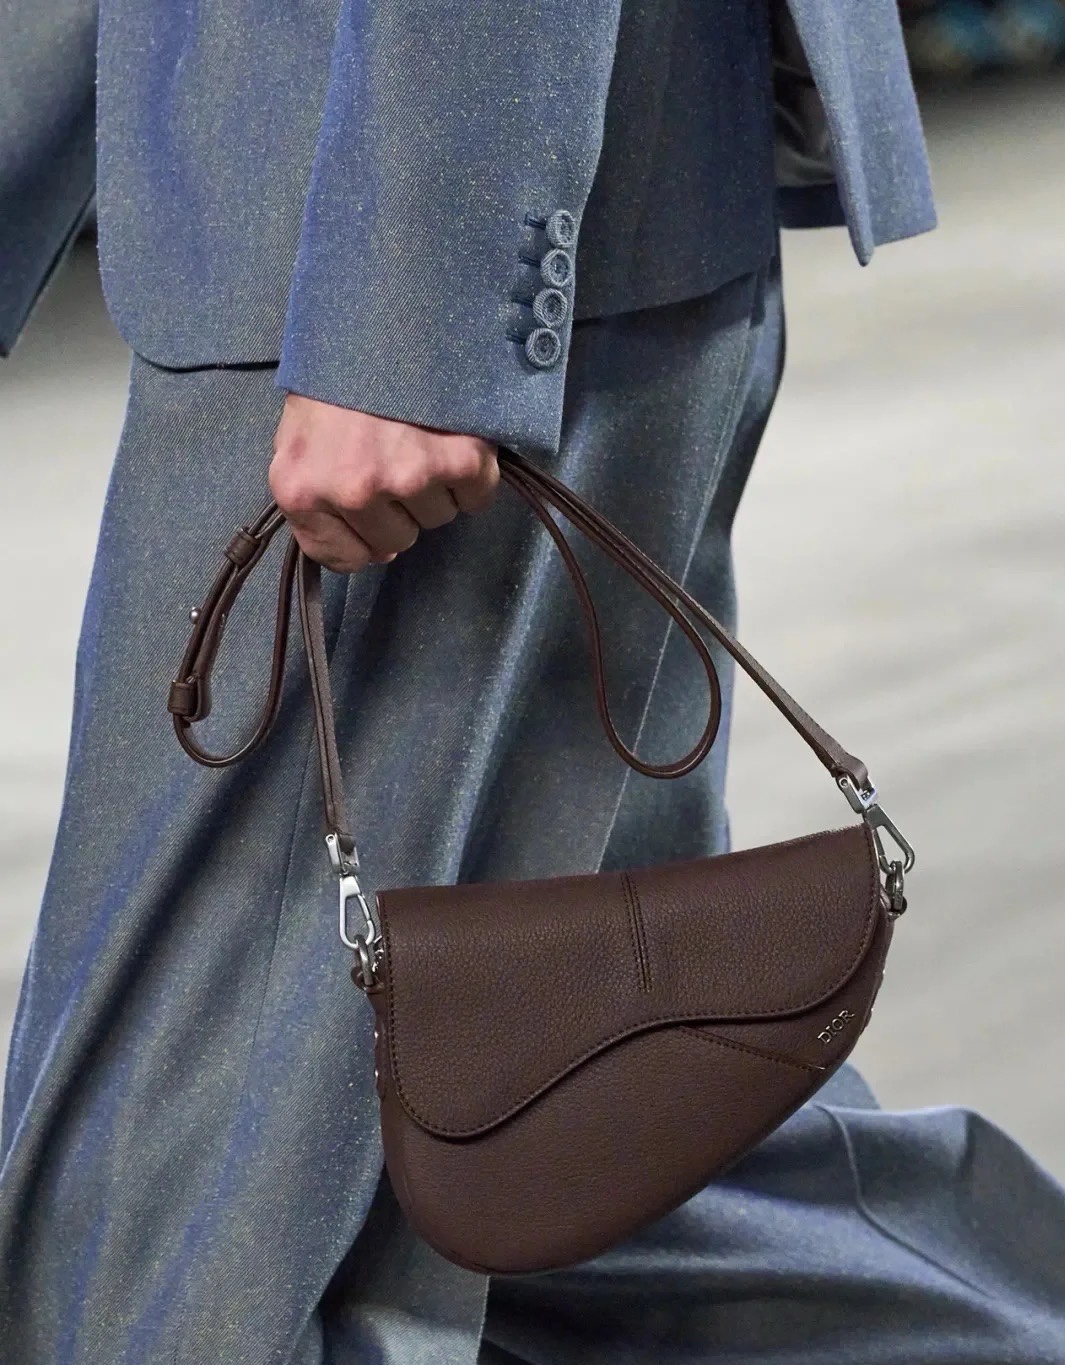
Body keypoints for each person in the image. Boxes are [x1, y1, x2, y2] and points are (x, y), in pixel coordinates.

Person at [2, 0, 1064, 1361]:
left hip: (384, 259)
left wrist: (419, 302)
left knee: (168, 1240)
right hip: (416, 218)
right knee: (578, 1141)